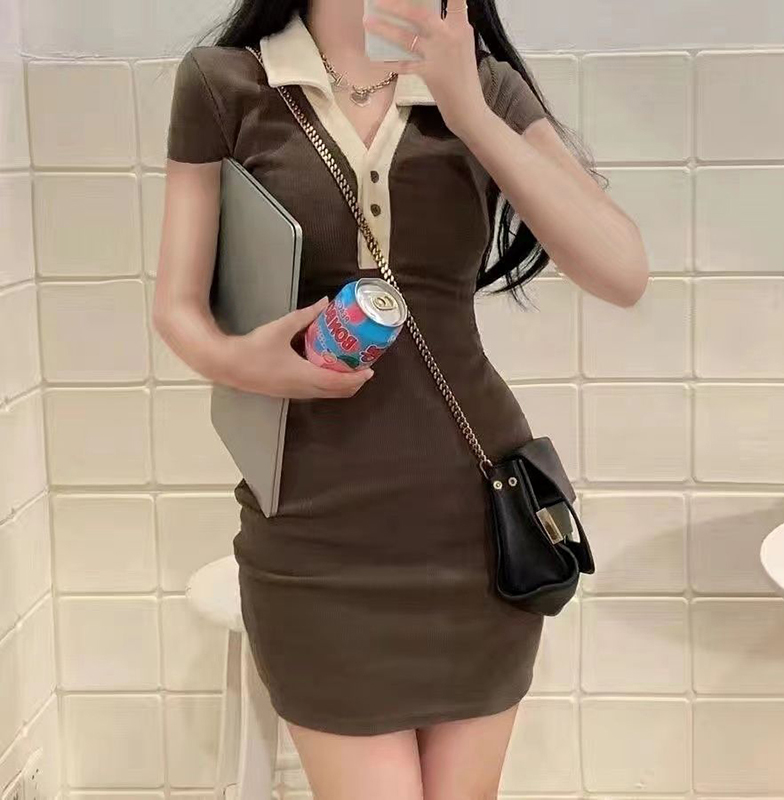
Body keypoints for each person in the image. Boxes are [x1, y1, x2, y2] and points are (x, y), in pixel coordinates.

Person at [153, 0, 649, 796]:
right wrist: (245, 363)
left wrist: (469, 110)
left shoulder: (483, 85)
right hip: (313, 536)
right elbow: (177, 308)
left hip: (476, 529)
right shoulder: (227, 84)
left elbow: (621, 271)